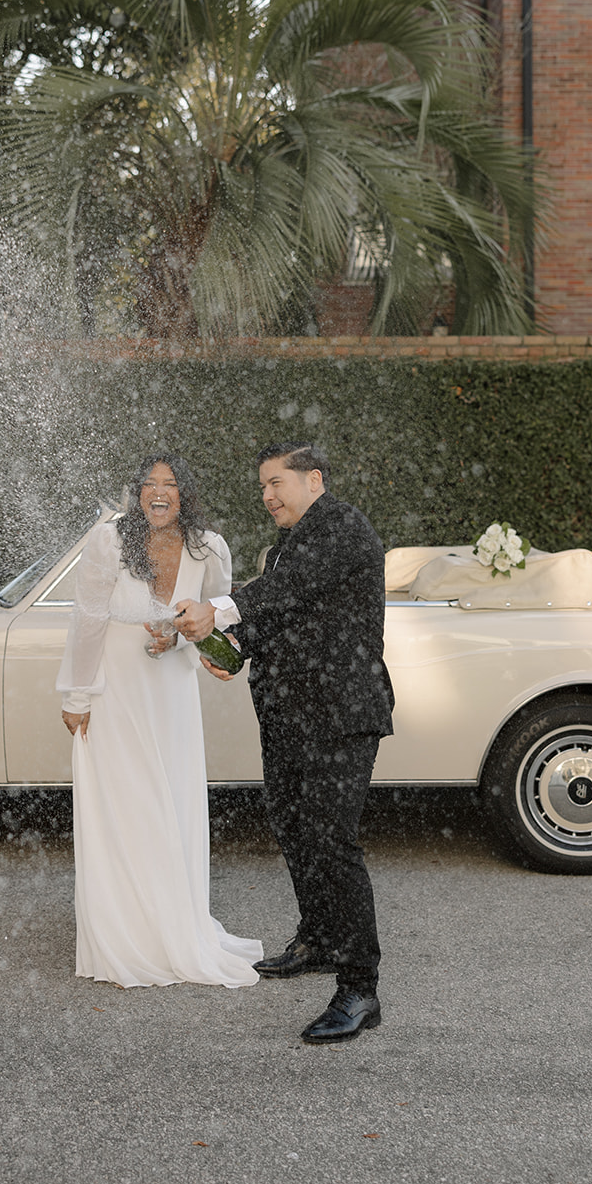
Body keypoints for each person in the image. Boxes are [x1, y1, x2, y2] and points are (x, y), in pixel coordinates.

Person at [174, 442, 394, 1043]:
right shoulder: (289, 543)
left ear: (314, 479)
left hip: (339, 715)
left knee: (332, 841)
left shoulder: (342, 527)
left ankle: (359, 989)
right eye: (263, 486)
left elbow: (290, 588)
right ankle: (319, 940)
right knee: (293, 826)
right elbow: (282, 613)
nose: (267, 495)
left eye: (277, 483)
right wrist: (239, 648)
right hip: (289, 714)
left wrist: (218, 611)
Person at [57, 454, 262, 989]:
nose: (158, 491)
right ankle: (126, 934)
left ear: (185, 493)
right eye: (148, 483)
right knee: (124, 806)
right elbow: (89, 617)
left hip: (170, 691)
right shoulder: (108, 541)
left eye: (169, 483)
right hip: (115, 692)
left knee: (170, 801)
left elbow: (219, 609)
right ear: (136, 492)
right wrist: (78, 693)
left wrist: (186, 639)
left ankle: (173, 927)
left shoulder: (209, 547)